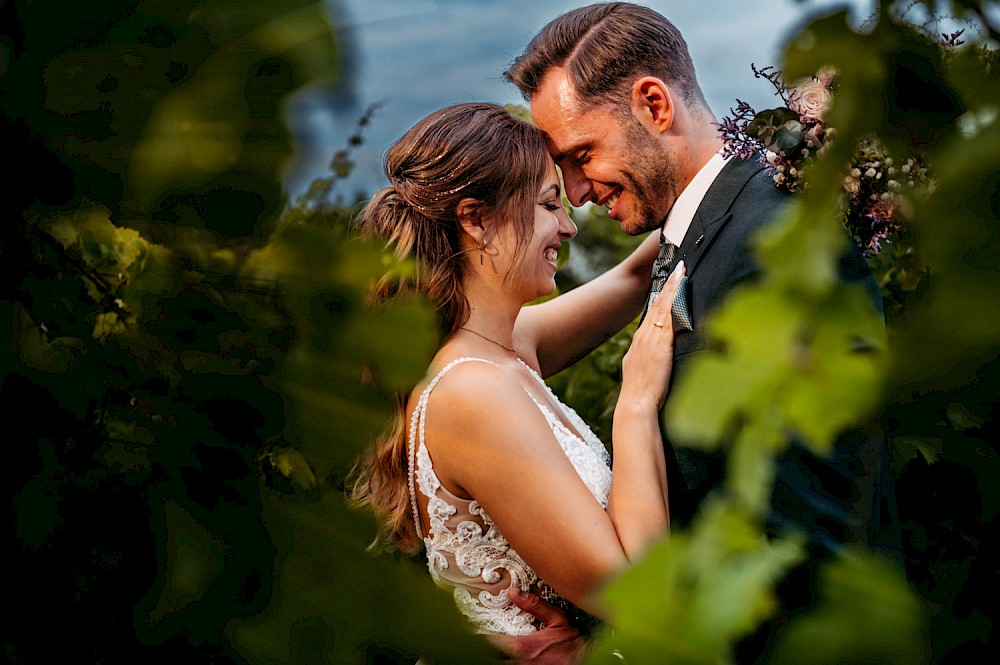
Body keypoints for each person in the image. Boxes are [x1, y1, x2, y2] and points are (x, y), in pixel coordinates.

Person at [502, 1, 903, 661]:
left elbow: (815, 558)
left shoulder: (772, 250)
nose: (574, 192)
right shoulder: (693, 241)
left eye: (582, 154)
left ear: (655, 105)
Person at [350, 102, 685, 660]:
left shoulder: (503, 347)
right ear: (476, 219)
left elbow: (634, 275)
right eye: (549, 205)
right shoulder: (472, 392)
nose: (569, 225)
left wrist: (753, 165)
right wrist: (636, 403)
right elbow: (639, 596)